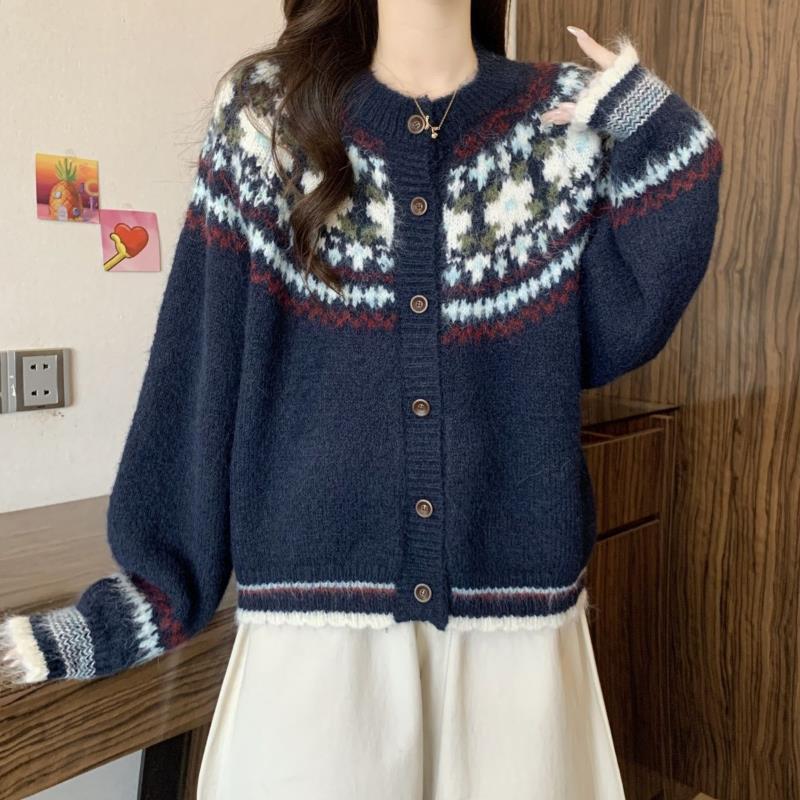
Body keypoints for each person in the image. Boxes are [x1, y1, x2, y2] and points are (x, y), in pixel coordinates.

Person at [0, 1, 723, 797]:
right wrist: (160, 582)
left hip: (517, 642)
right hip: (315, 642)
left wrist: (661, 135)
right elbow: (200, 358)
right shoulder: (273, 113)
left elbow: (609, 335)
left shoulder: (561, 123)